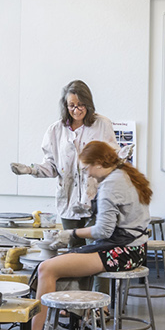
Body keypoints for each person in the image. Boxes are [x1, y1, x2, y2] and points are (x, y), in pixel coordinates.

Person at [28, 140, 152, 330]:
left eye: (88, 169)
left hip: (123, 252)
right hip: (136, 248)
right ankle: (77, 319)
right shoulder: (126, 172)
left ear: (99, 162)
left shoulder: (111, 184)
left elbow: (104, 231)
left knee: (46, 269)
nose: (89, 174)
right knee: (67, 260)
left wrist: (72, 234)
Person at [10, 80, 116, 242]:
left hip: (96, 200)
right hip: (69, 200)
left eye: (81, 104)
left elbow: (113, 160)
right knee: (73, 250)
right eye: (71, 105)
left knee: (94, 248)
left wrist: (99, 177)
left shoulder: (102, 124)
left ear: (88, 103)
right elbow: (52, 167)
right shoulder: (56, 130)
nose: (76, 110)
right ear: (65, 106)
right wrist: (30, 169)